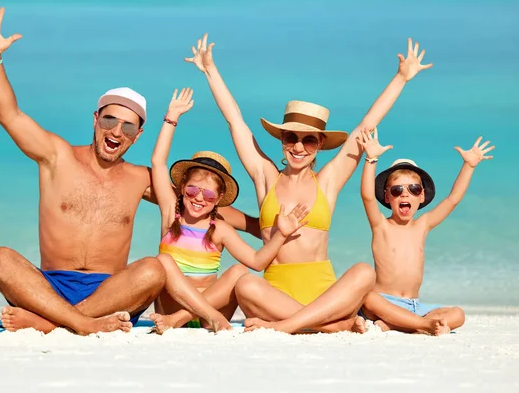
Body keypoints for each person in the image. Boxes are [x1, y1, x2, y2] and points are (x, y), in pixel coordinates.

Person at [0, 4, 258, 335]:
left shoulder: (139, 179)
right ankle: (76, 322)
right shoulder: (56, 156)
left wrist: (263, 228)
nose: (117, 132)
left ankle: (51, 322)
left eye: (129, 127)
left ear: (138, 136)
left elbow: (201, 203)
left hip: (113, 292)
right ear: (95, 119)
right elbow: (10, 116)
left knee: (152, 269)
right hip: (50, 285)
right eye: (110, 120)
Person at [185, 33, 433, 334]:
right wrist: (210, 70)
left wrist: (401, 78)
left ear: (320, 145)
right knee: (246, 283)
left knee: (364, 273)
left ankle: (290, 325)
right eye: (291, 137)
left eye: (308, 140)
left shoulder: (327, 181)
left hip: (322, 292)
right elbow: (235, 122)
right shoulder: (265, 177)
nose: (298, 147)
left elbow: (365, 127)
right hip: (274, 291)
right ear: (281, 140)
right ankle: (330, 326)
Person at [148, 88, 310, 334]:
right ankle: (179, 316)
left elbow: (257, 262)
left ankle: (181, 319)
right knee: (163, 261)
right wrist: (172, 118)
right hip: (173, 306)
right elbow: (158, 163)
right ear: (182, 188)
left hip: (207, 315)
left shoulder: (219, 229)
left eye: (209, 194)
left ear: (219, 199)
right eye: (192, 191)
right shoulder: (171, 214)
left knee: (238, 271)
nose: (199, 199)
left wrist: (281, 235)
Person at [356, 130, 494, 334]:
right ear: (387, 197)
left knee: (458, 314)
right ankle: (418, 325)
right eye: (397, 190)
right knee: (367, 298)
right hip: (384, 302)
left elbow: (453, 199)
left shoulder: (423, 225)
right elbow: (367, 196)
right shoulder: (380, 225)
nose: (405, 194)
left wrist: (469, 165)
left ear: (421, 197)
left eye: (413, 189)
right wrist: (371, 158)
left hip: (414, 306)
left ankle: (397, 324)